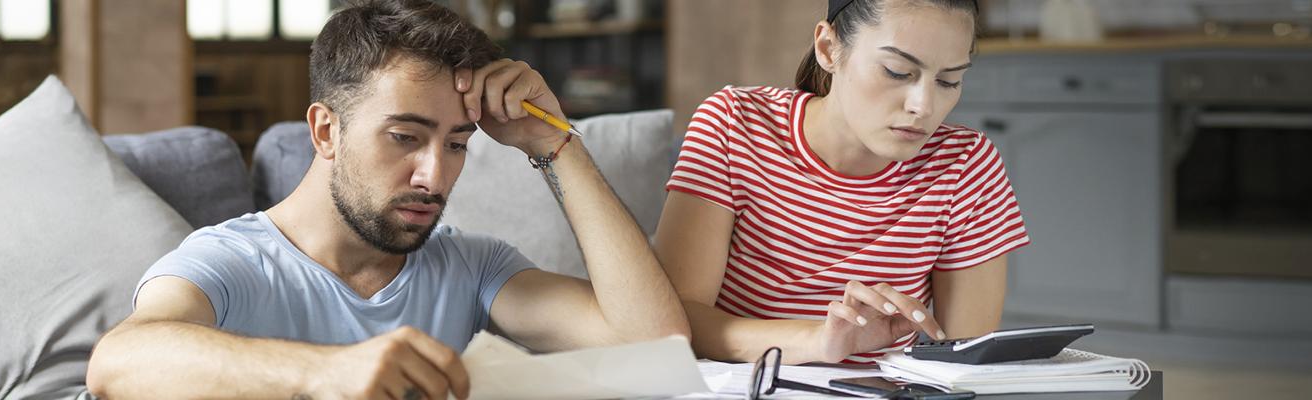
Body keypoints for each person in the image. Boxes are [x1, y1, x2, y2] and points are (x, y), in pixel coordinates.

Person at [86, 0, 689, 398]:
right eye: (405, 137)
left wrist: (557, 144)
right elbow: (118, 362)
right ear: (325, 131)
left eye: (456, 143)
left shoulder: (473, 268)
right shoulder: (231, 262)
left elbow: (655, 339)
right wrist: (325, 372)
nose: (435, 175)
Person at [654, 0, 1025, 365]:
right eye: (897, 72)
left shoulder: (964, 162)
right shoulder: (736, 124)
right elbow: (678, 323)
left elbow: (965, 360)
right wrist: (820, 341)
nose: (923, 106)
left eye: (949, 81)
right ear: (828, 48)